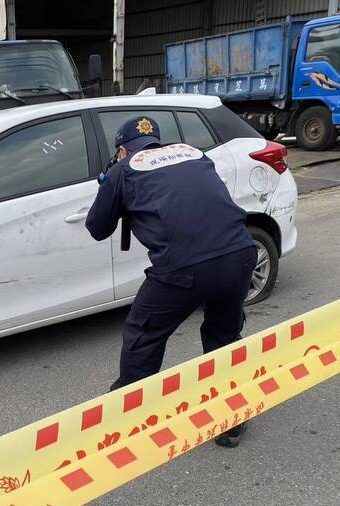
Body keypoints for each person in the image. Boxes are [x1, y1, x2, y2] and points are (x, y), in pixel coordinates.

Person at [86, 116, 257, 448]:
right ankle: (231, 418)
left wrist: (108, 184)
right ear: (157, 142)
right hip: (240, 253)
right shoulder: (192, 153)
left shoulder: (124, 169)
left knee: (144, 334)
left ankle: (131, 414)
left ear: (122, 149)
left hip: (183, 268)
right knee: (223, 334)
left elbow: (97, 228)